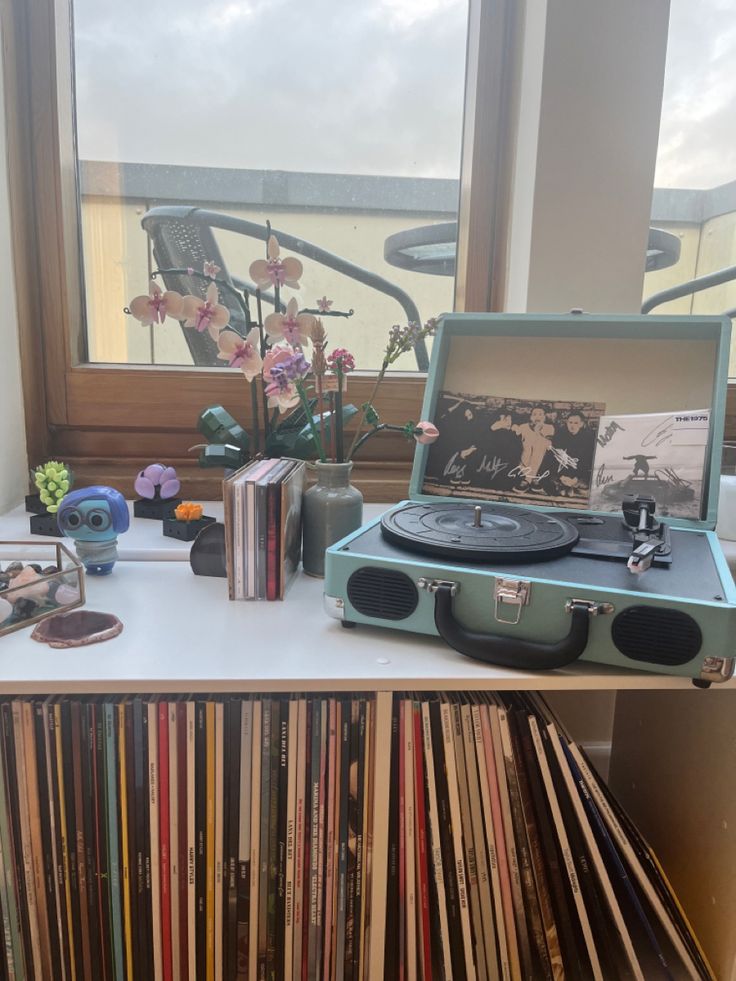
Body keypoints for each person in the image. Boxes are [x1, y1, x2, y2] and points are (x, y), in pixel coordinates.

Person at [544, 410, 596, 498]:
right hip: (562, 472)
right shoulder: (560, 435)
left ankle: (570, 485)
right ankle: (564, 484)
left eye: (576, 423)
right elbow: (555, 457)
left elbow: (586, 461)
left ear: (581, 424)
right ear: (567, 423)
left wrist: (575, 479)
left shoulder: (588, 438)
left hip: (578, 472)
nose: (572, 425)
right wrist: (561, 476)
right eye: (570, 422)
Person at [512, 406, 554, 490]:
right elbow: (514, 432)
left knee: (539, 446)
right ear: (531, 417)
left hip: (541, 459)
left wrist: (538, 431)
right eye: (534, 414)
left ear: (544, 417)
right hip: (524, 459)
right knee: (528, 448)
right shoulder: (523, 427)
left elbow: (548, 445)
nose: (537, 417)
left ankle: (527, 480)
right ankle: (532, 478)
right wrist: (514, 427)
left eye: (540, 414)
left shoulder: (549, 428)